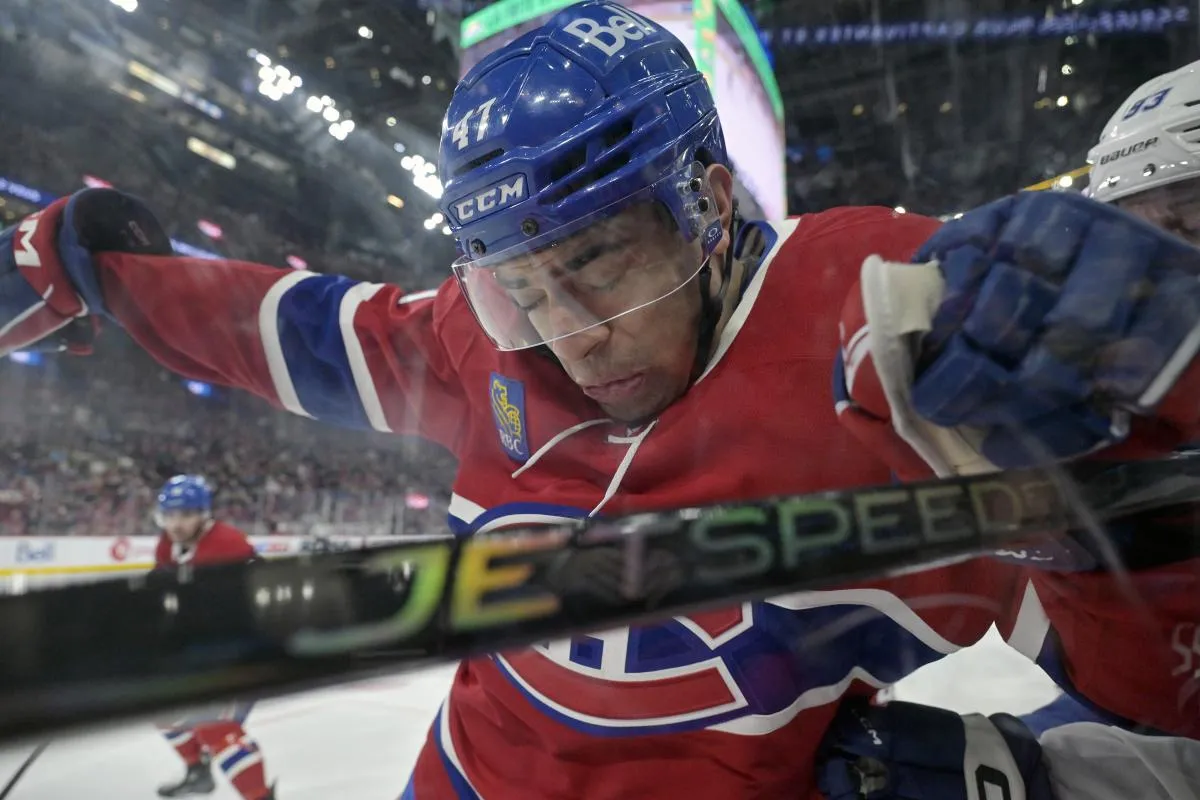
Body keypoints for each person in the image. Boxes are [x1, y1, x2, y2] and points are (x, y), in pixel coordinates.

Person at [1, 2, 1199, 796]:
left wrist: (1099, 503)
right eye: (523, 288)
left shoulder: (886, 332)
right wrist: (106, 265)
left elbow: (1155, 689)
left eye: (599, 262)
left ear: (713, 202)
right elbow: (289, 322)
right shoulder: (483, 343)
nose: (570, 334)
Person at [150, 476, 276, 800]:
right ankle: (198, 773)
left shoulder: (226, 546)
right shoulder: (167, 544)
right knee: (164, 711)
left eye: (185, 515)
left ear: (203, 514)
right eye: (170, 515)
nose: (176, 523)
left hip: (247, 646)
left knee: (214, 726)